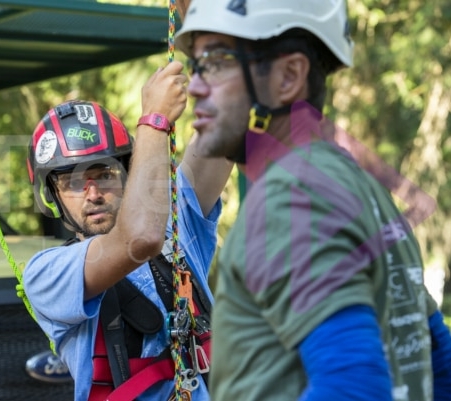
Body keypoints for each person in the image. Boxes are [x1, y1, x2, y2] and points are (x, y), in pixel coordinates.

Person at [175, 0, 451, 400]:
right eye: (197, 65)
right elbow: (435, 361)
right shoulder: (358, 189)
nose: (195, 85)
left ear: (288, 77)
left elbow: (353, 387)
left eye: (217, 62)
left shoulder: (292, 195)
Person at [23, 61, 233, 401]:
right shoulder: (47, 275)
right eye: (72, 182)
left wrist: (209, 40)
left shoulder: (175, 226)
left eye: (103, 173)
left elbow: (228, 121)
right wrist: (155, 121)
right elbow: (139, 239)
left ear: (126, 175)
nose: (92, 193)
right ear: (53, 197)